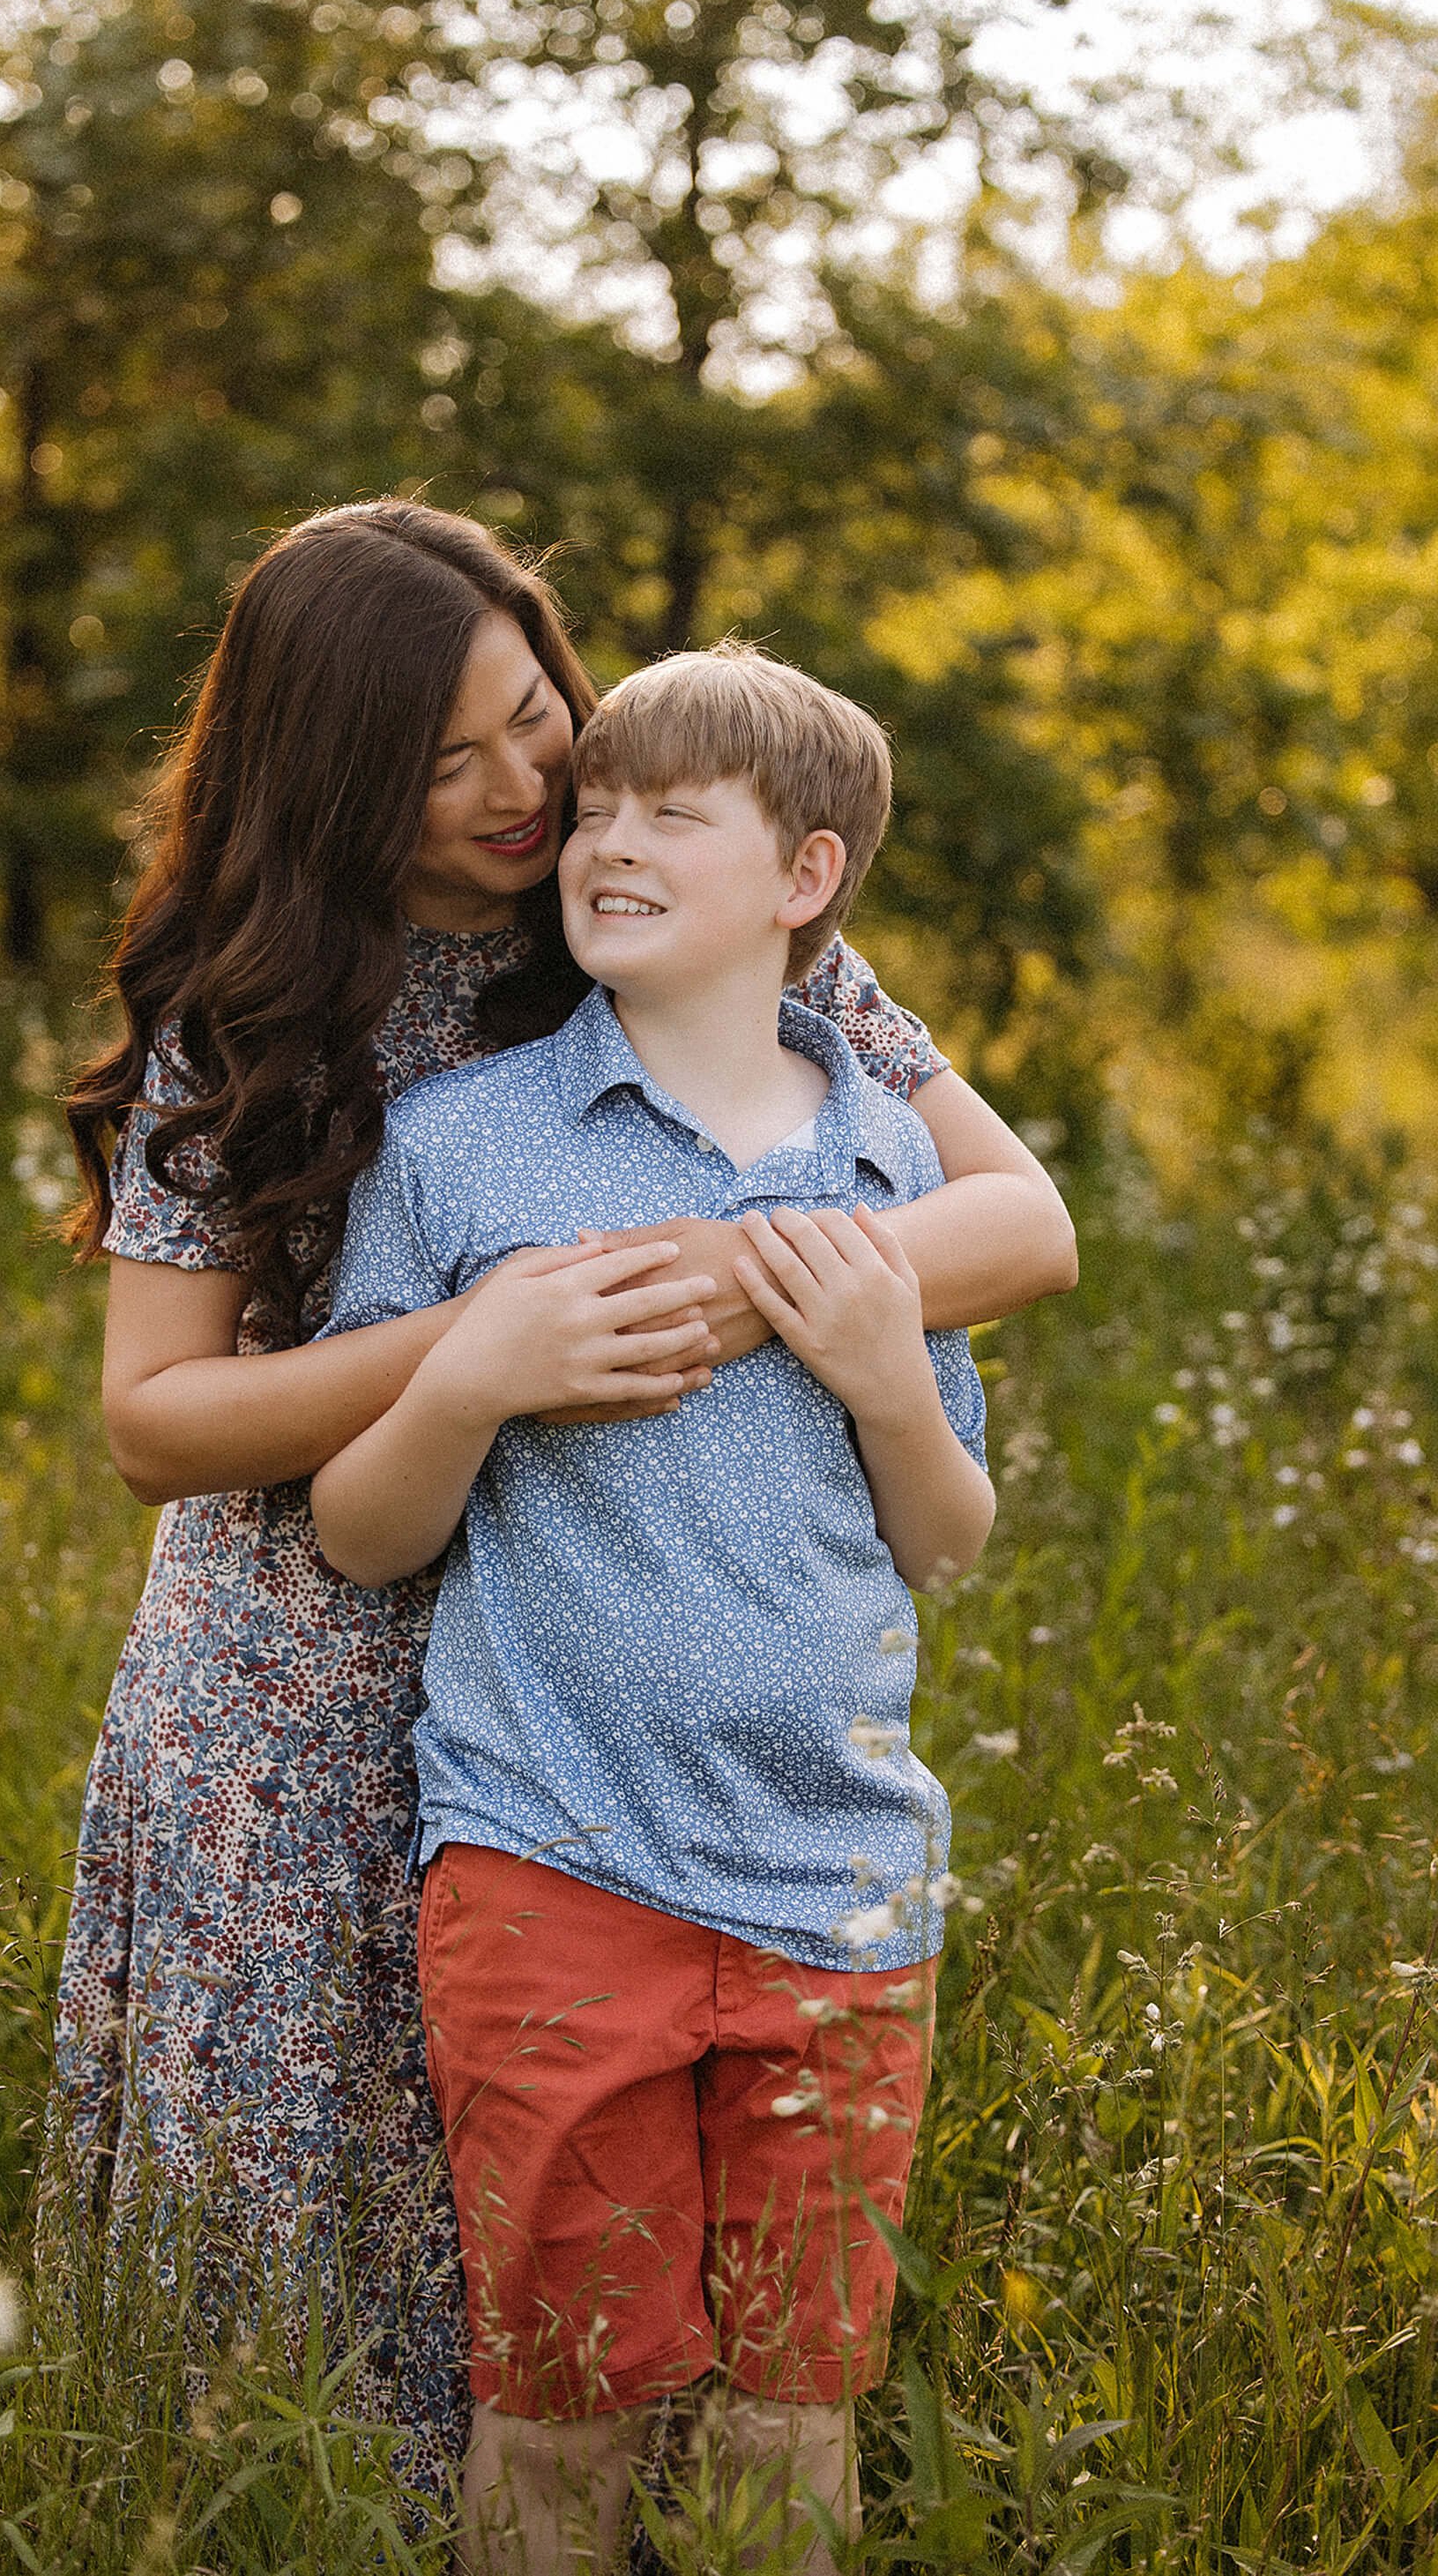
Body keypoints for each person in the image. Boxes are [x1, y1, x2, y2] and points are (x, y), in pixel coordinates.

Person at [58, 503, 1075, 2486]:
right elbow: (156, 1422)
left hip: (640, 1654)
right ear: (331, 780)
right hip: (306, 1667)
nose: (532, 789)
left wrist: (721, 1274)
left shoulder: (675, 902)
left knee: (623, 2269)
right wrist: (483, 1345)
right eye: (449, 762)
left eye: (537, 714)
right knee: (322, 2246)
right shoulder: (251, 1001)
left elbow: (1017, 1222)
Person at [309, 645, 998, 2572]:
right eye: (592, 803)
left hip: (840, 1881)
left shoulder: (883, 1158)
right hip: (554, 1863)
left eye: (666, 812)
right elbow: (364, 1535)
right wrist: (464, 1378)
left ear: (804, 874)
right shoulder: (465, 1141)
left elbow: (946, 1539)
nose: (599, 837)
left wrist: (877, 1363)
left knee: (794, 2408)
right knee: (558, 2402)